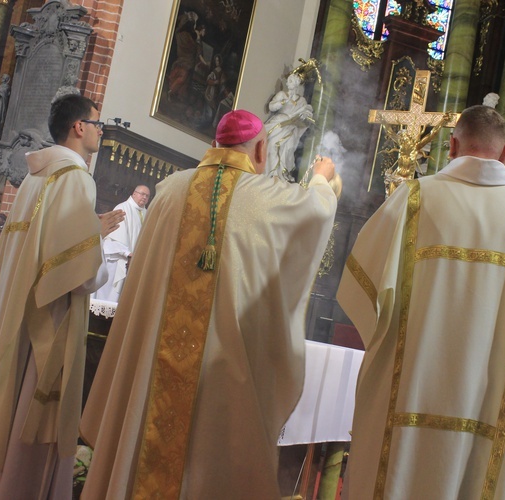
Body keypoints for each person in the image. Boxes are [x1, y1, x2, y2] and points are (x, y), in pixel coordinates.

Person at [80, 110, 339, 498]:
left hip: (154, 368)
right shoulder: (267, 196)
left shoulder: (168, 189)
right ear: (261, 150)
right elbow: (315, 208)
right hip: (222, 371)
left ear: (214, 144)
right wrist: (321, 176)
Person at [337, 105, 505, 499]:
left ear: (453, 145)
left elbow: (361, 294)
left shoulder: (411, 200)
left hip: (408, 394)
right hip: (491, 406)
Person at [0, 92, 122, 499]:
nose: (100, 132)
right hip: (46, 324)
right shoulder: (76, 178)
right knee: (28, 414)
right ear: (79, 127)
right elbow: (74, 276)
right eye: (98, 124)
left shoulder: (36, 176)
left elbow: (30, 252)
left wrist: (85, 232)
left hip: (15, 312)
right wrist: (97, 240)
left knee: (3, 413)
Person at [91, 185, 150, 303]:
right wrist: (128, 253)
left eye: (147, 196)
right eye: (141, 194)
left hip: (133, 263)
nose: (144, 197)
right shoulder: (122, 208)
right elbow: (114, 238)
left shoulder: (147, 213)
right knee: (109, 297)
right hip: (117, 259)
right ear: (134, 193)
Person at [264, 72, 315, 180]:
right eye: (288, 81)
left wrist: (305, 114)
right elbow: (271, 106)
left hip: (291, 126)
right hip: (279, 122)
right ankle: (272, 173)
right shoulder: (282, 94)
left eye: (290, 81)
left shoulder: (301, 101)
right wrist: (280, 104)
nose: (287, 83)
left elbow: (308, 111)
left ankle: (283, 173)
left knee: (289, 147)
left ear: (297, 83)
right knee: (272, 143)